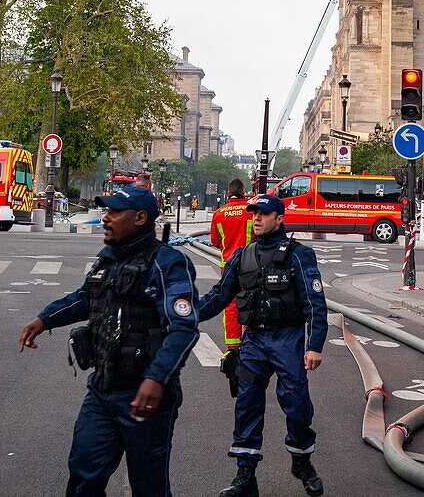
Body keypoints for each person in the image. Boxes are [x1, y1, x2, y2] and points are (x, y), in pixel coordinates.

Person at [19, 186, 199, 497]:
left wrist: (156, 379)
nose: (105, 218)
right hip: (102, 390)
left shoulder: (167, 263)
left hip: (145, 398)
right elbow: (85, 298)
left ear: (140, 218)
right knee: (83, 477)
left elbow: (183, 329)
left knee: (148, 487)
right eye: (106, 211)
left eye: (115, 212)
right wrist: (45, 319)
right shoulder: (107, 259)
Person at [199, 193, 328, 497]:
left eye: (263, 214)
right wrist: (186, 315)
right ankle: (246, 476)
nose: (256, 219)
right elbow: (218, 297)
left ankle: (301, 460)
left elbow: (315, 303)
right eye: (254, 214)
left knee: (296, 401)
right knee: (247, 405)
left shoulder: (299, 254)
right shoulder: (242, 256)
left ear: (279, 219)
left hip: (287, 338)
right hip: (254, 340)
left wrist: (315, 345)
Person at [210, 178, 253, 348]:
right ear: (243, 191)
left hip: (228, 266)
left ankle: (232, 347)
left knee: (231, 305)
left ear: (229, 192)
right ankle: (251, 344)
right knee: (252, 303)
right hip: (251, 266)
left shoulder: (219, 213)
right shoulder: (251, 212)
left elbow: (214, 241)